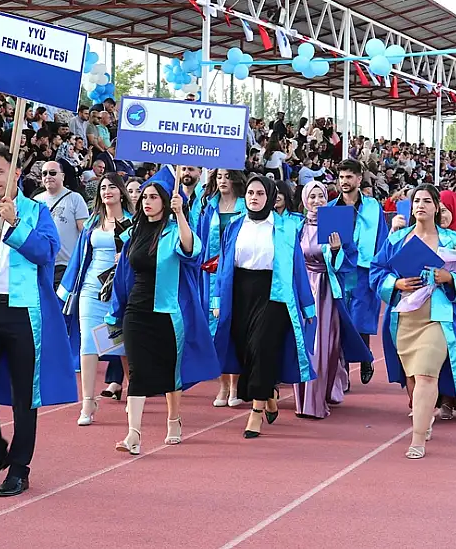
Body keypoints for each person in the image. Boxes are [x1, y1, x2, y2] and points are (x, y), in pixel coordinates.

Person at [0, 144, 77, 498]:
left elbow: (46, 253)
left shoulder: (36, 211)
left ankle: (19, 469)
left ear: (15, 175)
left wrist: (15, 224)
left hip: (25, 311)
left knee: (25, 395)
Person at [104, 172, 219, 454]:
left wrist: (180, 215)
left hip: (167, 311)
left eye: (154, 197)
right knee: (138, 370)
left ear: (166, 202)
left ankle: (174, 419)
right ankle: (133, 434)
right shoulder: (133, 233)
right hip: (136, 309)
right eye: (144, 197)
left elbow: (192, 251)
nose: (147, 202)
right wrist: (114, 312)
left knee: (170, 370)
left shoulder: (173, 230)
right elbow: (122, 274)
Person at [371, 185, 456, 459]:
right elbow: (377, 271)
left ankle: (417, 438)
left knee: (425, 374)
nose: (420, 205)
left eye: (426, 201)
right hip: (405, 316)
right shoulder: (397, 239)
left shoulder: (455, 240)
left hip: (438, 317)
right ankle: (424, 417)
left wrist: (451, 279)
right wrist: (395, 282)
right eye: (416, 201)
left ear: (437, 207)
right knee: (411, 376)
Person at [212, 175, 316, 437]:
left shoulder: (285, 228)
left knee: (262, 347)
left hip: (274, 294)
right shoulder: (234, 226)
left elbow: (297, 269)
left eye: (260, 193)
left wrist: (307, 305)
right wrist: (217, 300)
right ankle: (268, 394)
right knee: (245, 349)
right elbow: (223, 264)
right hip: (240, 292)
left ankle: (255, 413)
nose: (254, 198)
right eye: (250, 193)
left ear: (269, 197)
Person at [58, 173, 133, 426]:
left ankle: (134, 393)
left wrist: (125, 258)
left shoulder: (134, 223)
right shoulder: (92, 222)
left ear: (121, 192)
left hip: (120, 292)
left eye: (112, 187)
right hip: (92, 290)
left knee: (123, 345)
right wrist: (66, 291)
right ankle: (88, 402)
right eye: (103, 187)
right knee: (88, 345)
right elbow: (80, 258)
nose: (107, 191)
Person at [292, 181, 371, 419]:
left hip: (327, 290)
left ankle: (316, 400)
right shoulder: (297, 226)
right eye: (312, 197)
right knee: (304, 345)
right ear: (305, 200)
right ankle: (303, 398)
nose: (317, 202)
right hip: (303, 289)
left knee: (324, 346)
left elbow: (348, 263)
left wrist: (337, 250)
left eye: (321, 197)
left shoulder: (336, 225)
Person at [327, 159, 387, 385]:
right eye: (341, 177)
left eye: (349, 177)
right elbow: (325, 244)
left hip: (364, 269)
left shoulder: (373, 207)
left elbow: (381, 238)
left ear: (359, 179)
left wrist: (380, 269)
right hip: (342, 269)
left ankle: (365, 357)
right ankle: (344, 374)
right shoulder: (332, 209)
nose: (344, 181)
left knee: (361, 319)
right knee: (342, 319)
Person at [193, 168, 247, 407]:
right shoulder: (208, 208)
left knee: (235, 328)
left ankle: (236, 384)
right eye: (219, 177)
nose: (223, 181)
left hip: (239, 275)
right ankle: (223, 385)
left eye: (227, 176)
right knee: (215, 327)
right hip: (212, 276)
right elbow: (200, 243)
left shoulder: (246, 206)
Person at [35, 162, 89, 287]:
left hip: (66, 265)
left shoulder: (75, 199)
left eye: (53, 173)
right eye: (44, 173)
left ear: (62, 176)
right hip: (43, 265)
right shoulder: (36, 200)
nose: (48, 176)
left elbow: (84, 232)